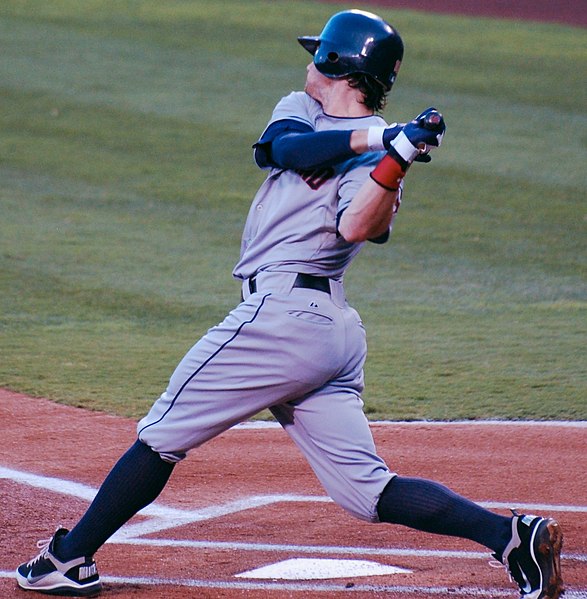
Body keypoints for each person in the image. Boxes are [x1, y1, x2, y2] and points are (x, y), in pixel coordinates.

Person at [16, 9, 563, 599]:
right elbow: (285, 151)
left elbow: (361, 228)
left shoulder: (381, 160)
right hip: (325, 335)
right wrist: (385, 138)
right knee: (366, 492)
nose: (306, 61)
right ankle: (512, 537)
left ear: (336, 62)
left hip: (282, 321)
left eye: (316, 52)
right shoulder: (301, 111)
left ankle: (68, 559)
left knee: (160, 434)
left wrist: (396, 161)